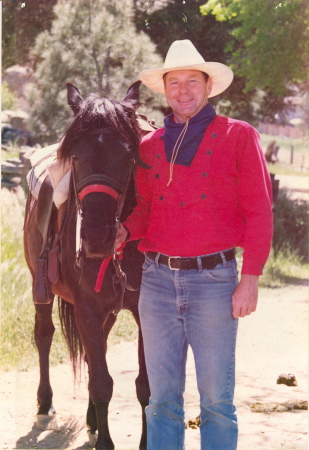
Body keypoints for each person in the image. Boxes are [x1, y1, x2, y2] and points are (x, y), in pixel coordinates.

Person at [115, 40, 273, 450]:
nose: (182, 91)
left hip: (215, 282)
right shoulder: (149, 147)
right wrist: (125, 232)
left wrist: (250, 278)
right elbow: (147, 207)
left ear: (207, 87)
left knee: (217, 401)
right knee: (161, 400)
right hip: (157, 283)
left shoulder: (239, 136)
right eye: (174, 83)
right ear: (164, 90)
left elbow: (260, 211)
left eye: (191, 81)